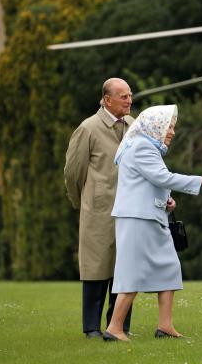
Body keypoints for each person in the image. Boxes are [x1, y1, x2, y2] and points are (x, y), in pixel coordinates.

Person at [102, 105, 202, 342]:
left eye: (172, 127)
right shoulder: (142, 147)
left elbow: (148, 181)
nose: (171, 131)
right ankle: (114, 328)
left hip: (149, 217)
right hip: (138, 220)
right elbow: (162, 177)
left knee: (169, 268)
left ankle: (165, 326)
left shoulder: (144, 146)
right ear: (155, 126)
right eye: (168, 126)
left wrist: (165, 200)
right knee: (133, 273)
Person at [64, 77, 135, 338]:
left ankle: (119, 327)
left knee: (124, 268)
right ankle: (91, 328)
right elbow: (73, 173)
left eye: (130, 95)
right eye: (123, 96)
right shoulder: (88, 128)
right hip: (97, 209)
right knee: (96, 268)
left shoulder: (133, 125)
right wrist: (83, 203)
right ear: (107, 99)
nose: (129, 100)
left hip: (129, 209)